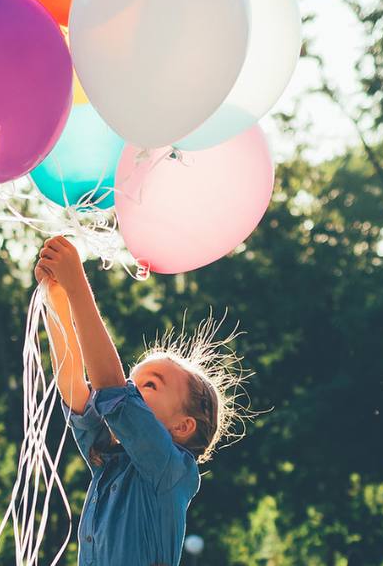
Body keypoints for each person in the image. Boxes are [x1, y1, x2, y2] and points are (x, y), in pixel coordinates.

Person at [34, 236, 247, 566]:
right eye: (133, 380)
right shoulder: (112, 460)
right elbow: (76, 388)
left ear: (182, 426)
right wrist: (57, 298)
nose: (131, 388)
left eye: (148, 385)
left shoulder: (173, 470)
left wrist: (76, 282)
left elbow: (111, 390)